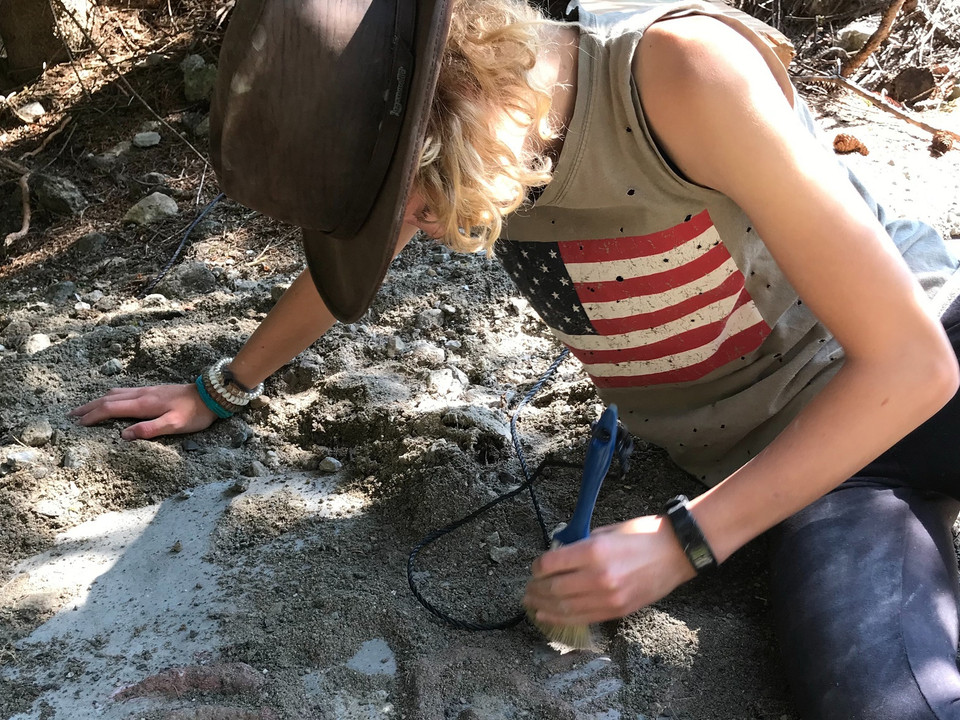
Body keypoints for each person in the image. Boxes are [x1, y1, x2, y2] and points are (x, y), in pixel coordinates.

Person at [69, 0, 960, 717]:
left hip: (919, 356)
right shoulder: (481, 153)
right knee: (885, 694)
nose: (409, 236)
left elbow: (912, 366)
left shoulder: (677, 72)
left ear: (453, 102)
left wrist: (683, 540)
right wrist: (224, 386)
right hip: (808, 473)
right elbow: (336, 283)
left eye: (404, 210)